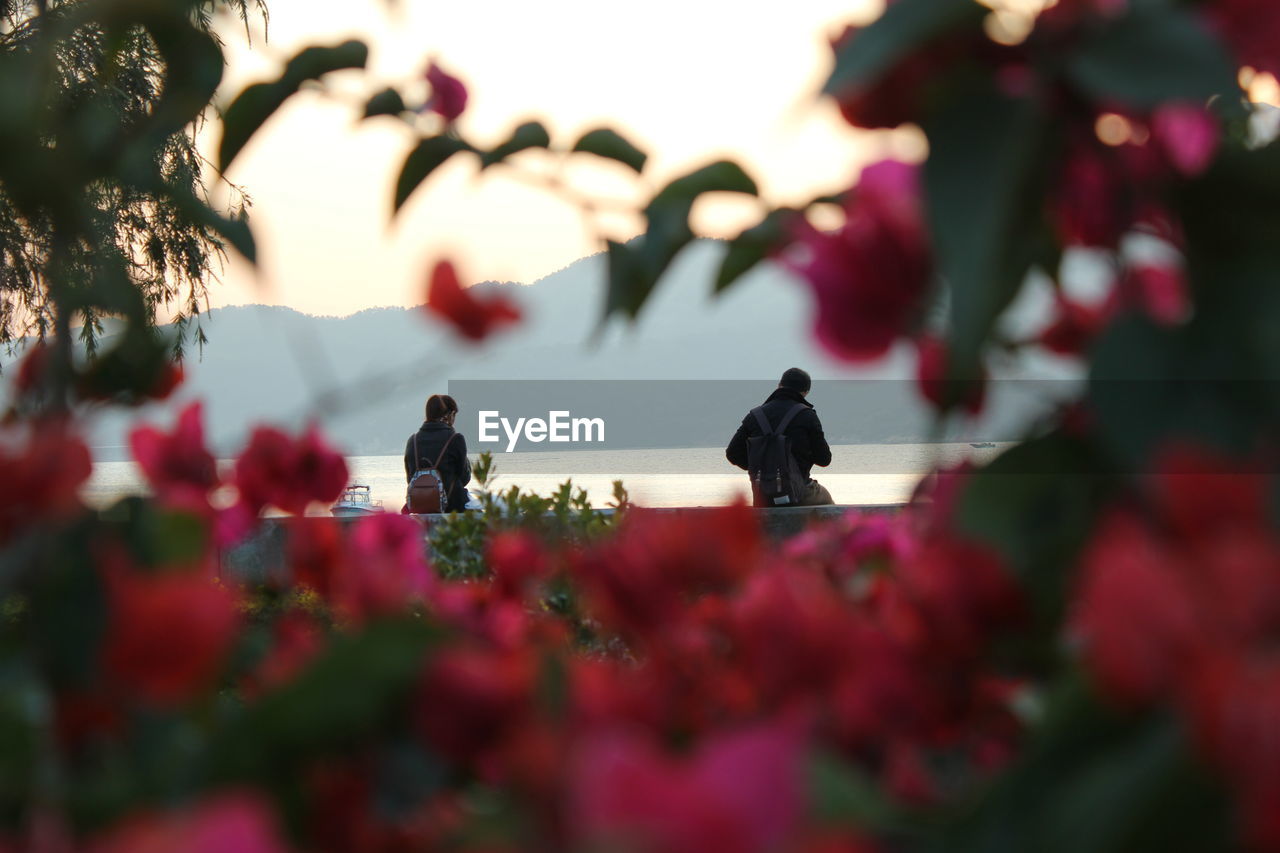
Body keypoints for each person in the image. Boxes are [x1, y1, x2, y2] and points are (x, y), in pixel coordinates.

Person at [726, 367, 834, 506]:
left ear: (779, 386)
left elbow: (732, 454)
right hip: (799, 493)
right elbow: (824, 459)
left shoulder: (754, 416)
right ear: (805, 392)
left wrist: (761, 468)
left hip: (763, 496)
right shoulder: (807, 415)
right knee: (826, 500)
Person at [404, 394, 472, 512]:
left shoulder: (412, 440)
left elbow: (410, 478)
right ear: (448, 415)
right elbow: (464, 478)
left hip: (419, 506)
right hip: (453, 507)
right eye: (454, 415)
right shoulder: (456, 439)